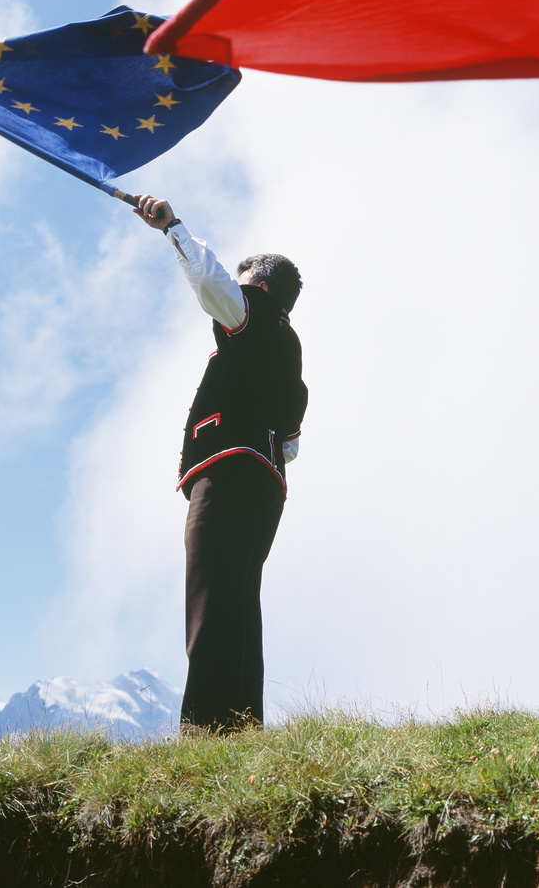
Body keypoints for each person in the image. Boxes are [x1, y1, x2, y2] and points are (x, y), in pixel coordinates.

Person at [133, 193, 307, 732]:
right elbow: (292, 444)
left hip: (229, 474)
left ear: (260, 286)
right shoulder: (291, 349)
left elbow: (212, 284)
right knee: (238, 603)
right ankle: (240, 729)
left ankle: (204, 732)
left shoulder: (251, 315)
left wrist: (172, 228)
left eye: (244, 279)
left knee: (209, 600)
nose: (236, 285)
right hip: (264, 487)